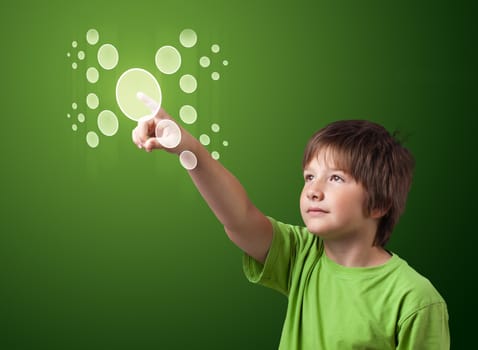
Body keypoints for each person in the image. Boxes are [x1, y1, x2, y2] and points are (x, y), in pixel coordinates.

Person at [132, 107, 450, 349]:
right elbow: (239, 217)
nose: (313, 189)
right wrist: (188, 148)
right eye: (309, 177)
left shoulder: (416, 301)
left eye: (336, 178)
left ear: (379, 204)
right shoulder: (302, 254)